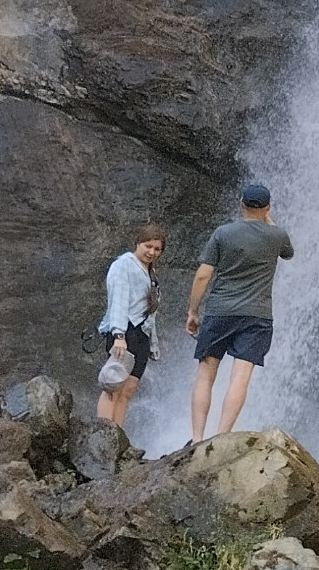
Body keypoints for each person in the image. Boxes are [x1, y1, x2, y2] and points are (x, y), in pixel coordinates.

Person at [186, 182, 293, 441]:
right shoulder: (278, 235)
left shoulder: (224, 233)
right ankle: (222, 436)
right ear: (268, 207)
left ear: (241, 203)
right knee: (240, 378)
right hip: (257, 315)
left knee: (206, 373)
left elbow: (203, 275)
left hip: (220, 310)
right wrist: (267, 219)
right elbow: (288, 255)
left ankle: (198, 438)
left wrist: (192, 311)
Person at [96, 222, 165, 427]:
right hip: (125, 331)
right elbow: (118, 299)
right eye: (148, 246)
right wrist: (119, 335)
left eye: (157, 249)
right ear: (137, 243)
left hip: (141, 335)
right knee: (113, 385)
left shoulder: (149, 272)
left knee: (128, 389)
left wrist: (152, 345)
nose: (152, 252)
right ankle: (104, 435)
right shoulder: (124, 264)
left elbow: (150, 313)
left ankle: (116, 435)